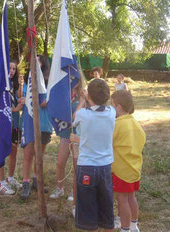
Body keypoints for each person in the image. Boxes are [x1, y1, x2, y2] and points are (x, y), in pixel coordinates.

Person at [70, 79, 116, 231]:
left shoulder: (83, 114)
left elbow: (74, 119)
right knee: (106, 204)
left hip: (86, 167)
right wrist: (89, 98)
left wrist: (83, 100)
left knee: (88, 209)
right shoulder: (112, 113)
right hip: (105, 168)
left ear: (89, 96)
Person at [111, 90, 146, 232]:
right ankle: (133, 225)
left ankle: (125, 228)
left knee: (122, 200)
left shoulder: (117, 124)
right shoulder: (135, 123)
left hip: (121, 170)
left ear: (118, 107)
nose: (111, 108)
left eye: (112, 105)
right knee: (131, 197)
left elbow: (108, 141)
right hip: (134, 168)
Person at [20, 55, 53, 200]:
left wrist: (47, 101)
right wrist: (23, 97)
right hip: (30, 122)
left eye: (38, 60)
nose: (35, 63)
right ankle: (25, 183)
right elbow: (23, 97)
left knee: (39, 155)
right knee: (28, 154)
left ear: (43, 64)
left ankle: (36, 180)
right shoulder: (29, 82)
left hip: (44, 123)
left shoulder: (50, 83)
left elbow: (52, 101)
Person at [49, 82, 82, 217]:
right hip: (65, 134)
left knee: (76, 167)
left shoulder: (83, 96)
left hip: (77, 136)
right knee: (60, 163)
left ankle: (75, 193)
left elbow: (77, 116)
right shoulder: (63, 93)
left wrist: (83, 101)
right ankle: (59, 188)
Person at [0, 60, 25, 195]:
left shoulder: (13, 85)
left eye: (14, 69)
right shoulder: (0, 86)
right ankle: (1, 183)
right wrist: (15, 109)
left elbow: (19, 97)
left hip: (15, 123)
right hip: (4, 123)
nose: (12, 71)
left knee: (14, 150)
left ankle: (11, 177)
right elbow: (0, 107)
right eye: (10, 68)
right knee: (2, 150)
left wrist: (20, 85)